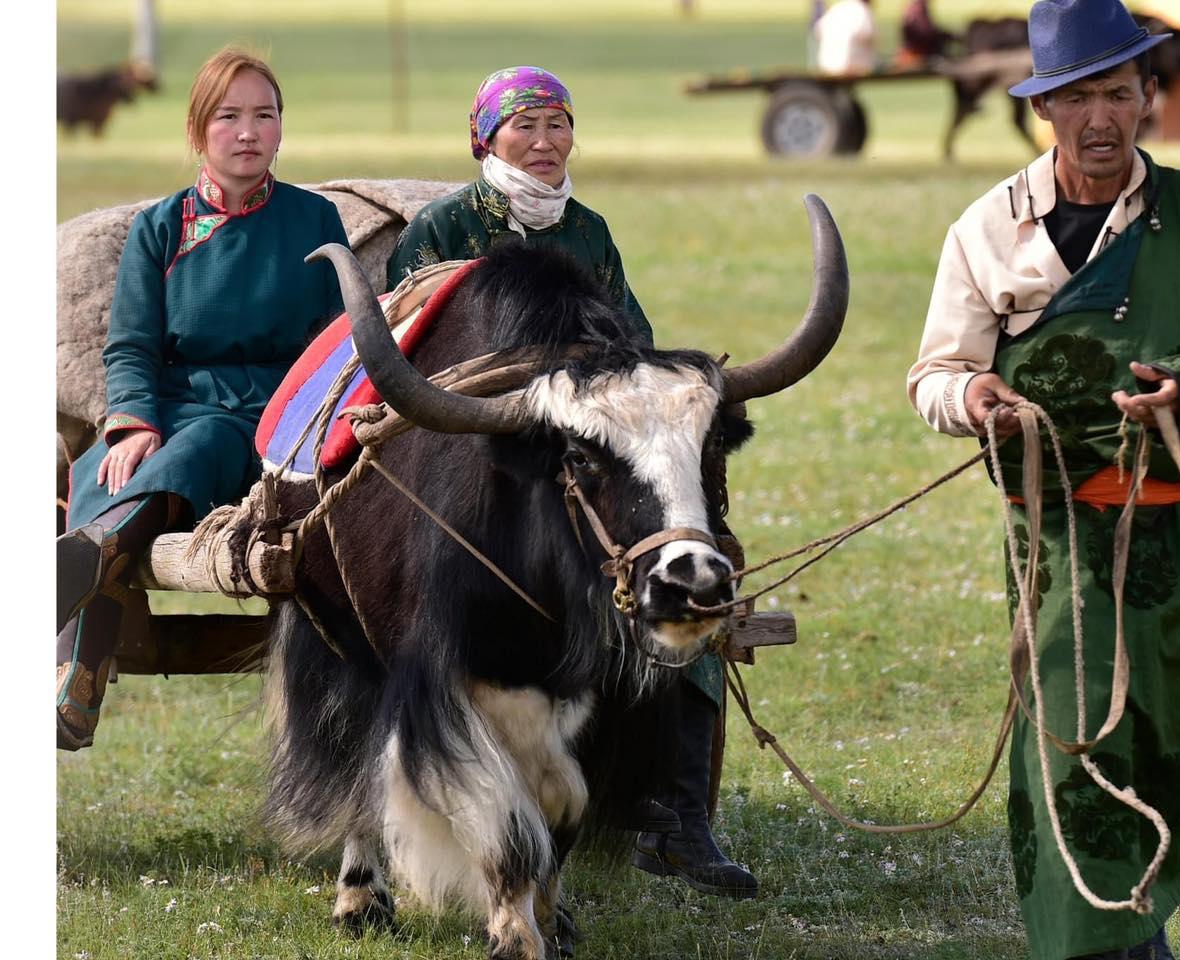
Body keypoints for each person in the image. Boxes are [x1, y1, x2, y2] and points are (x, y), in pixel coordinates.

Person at [906, 1, 1180, 957]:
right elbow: (935, 374)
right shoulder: (987, 229)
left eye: (1120, 93)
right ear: (1045, 106)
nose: (1102, 117)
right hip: (1058, 544)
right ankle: (1090, 945)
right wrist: (977, 400)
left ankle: (1142, 923)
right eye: (1079, 97)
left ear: (1148, 99)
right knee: (1073, 749)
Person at [386, 66, 758, 900]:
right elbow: (412, 345)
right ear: (485, 140)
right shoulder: (444, 225)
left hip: (588, 457)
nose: (545, 141)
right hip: (484, 463)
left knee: (684, 571)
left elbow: (633, 344)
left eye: (558, 124)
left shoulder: (589, 230)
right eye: (524, 126)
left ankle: (676, 816)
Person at [56, 48, 349, 751]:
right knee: (108, 465)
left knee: (210, 442)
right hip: (177, 401)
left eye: (264, 116)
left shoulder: (314, 221)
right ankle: (84, 635)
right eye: (229, 117)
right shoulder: (162, 227)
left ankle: (76, 603)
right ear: (197, 132)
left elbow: (340, 342)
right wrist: (130, 424)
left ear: (281, 130)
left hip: (278, 416)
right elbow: (129, 345)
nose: (248, 132)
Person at [813, 0, 877, 75]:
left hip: (825, 64)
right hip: (849, 66)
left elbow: (817, 30)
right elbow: (868, 35)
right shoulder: (861, 10)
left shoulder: (838, 7)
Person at [897, 0, 957, 66]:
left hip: (921, 49)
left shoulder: (918, 7)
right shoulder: (917, 9)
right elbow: (924, 33)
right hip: (919, 52)